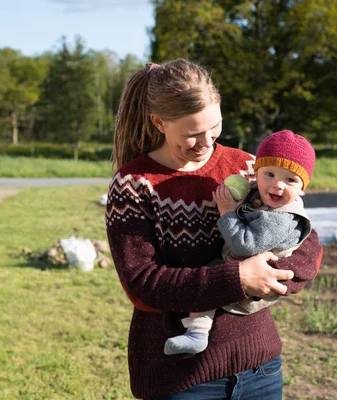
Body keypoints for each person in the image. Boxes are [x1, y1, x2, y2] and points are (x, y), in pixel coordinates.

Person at [105, 59, 323, 400]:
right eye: (192, 134)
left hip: (260, 368)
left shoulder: (247, 166)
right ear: (159, 122)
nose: (206, 142)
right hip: (181, 378)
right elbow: (141, 283)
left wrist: (275, 276)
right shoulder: (134, 184)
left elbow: (303, 235)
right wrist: (238, 279)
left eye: (215, 127)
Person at [164, 130, 315, 356]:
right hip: (237, 267)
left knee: (212, 277)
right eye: (269, 174)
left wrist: (227, 212)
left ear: (302, 187)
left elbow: (245, 245)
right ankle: (197, 334)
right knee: (208, 275)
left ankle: (197, 334)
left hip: (252, 288)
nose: (277, 185)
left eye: (290, 180)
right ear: (256, 173)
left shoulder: (282, 219)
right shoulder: (260, 194)